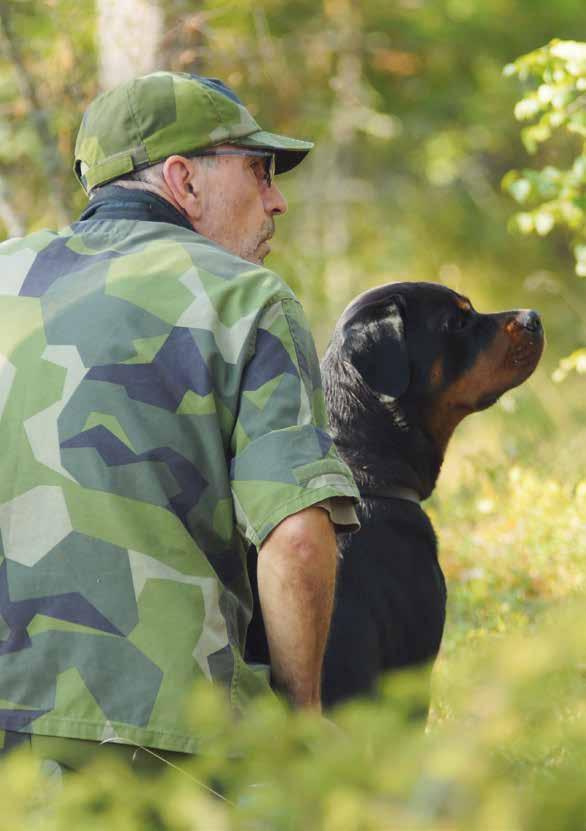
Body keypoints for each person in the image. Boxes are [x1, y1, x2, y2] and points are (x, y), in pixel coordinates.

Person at [0, 72, 359, 771]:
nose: (276, 199)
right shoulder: (245, 299)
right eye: (259, 170)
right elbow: (297, 542)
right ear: (182, 181)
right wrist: (303, 717)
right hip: (164, 739)